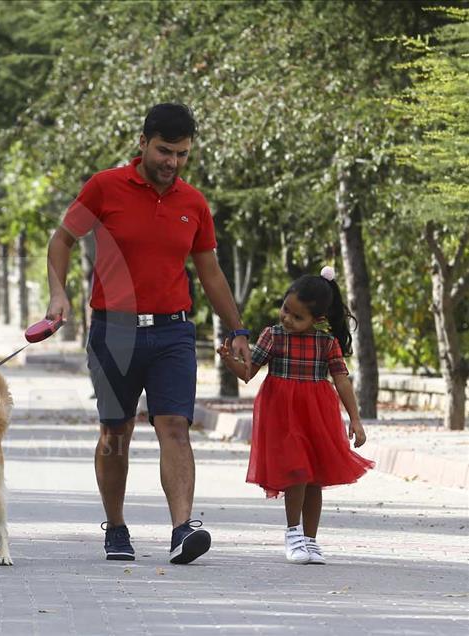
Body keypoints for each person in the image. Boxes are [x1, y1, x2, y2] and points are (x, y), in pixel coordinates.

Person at [46, 103, 252, 564]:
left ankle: (182, 529)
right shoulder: (105, 187)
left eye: (182, 154)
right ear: (143, 143)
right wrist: (58, 294)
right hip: (114, 331)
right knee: (115, 433)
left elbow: (211, 272)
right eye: (164, 151)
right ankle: (116, 528)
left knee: (175, 426)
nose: (172, 162)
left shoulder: (193, 203)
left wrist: (238, 328)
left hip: (173, 332)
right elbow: (61, 239)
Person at [218, 266, 374, 564]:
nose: (287, 318)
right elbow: (248, 373)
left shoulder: (327, 342)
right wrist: (229, 361)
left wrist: (355, 420)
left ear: (318, 319)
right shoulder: (273, 336)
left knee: (314, 479)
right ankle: (293, 535)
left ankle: (310, 541)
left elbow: (341, 380)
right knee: (298, 472)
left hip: (317, 415)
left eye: (297, 316)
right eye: (285, 309)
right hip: (282, 416)